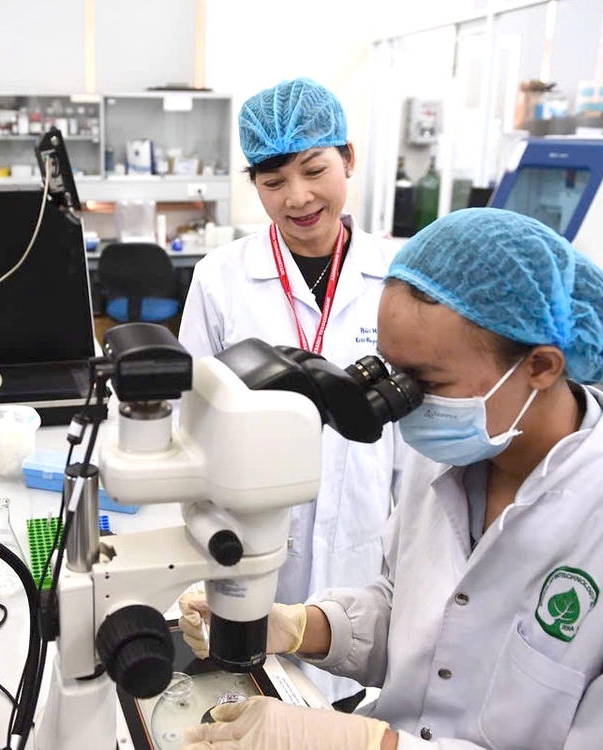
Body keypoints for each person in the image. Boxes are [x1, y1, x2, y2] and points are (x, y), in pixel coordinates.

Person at [180, 208, 603, 750]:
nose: (403, 403)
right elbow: (414, 615)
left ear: (540, 366)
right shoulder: (450, 457)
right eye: (391, 371)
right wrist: (301, 626)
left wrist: (368, 742)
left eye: (427, 382)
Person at [178, 78, 401, 701]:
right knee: (249, 701)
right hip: (247, 543)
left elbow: (417, 452)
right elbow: (189, 423)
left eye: (314, 170)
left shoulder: (397, 280)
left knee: (345, 701)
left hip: (362, 550)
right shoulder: (221, 278)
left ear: (348, 158)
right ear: (254, 184)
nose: (298, 197)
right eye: (273, 182)